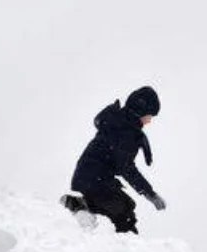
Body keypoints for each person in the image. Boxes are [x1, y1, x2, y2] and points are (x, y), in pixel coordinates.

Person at [63, 86, 165, 234]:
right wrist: (150, 194)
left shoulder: (121, 124)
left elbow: (119, 160)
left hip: (91, 178)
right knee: (124, 213)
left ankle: (80, 205)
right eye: (149, 115)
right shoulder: (126, 131)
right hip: (95, 180)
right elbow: (126, 168)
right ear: (140, 111)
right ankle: (128, 246)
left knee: (126, 204)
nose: (149, 121)